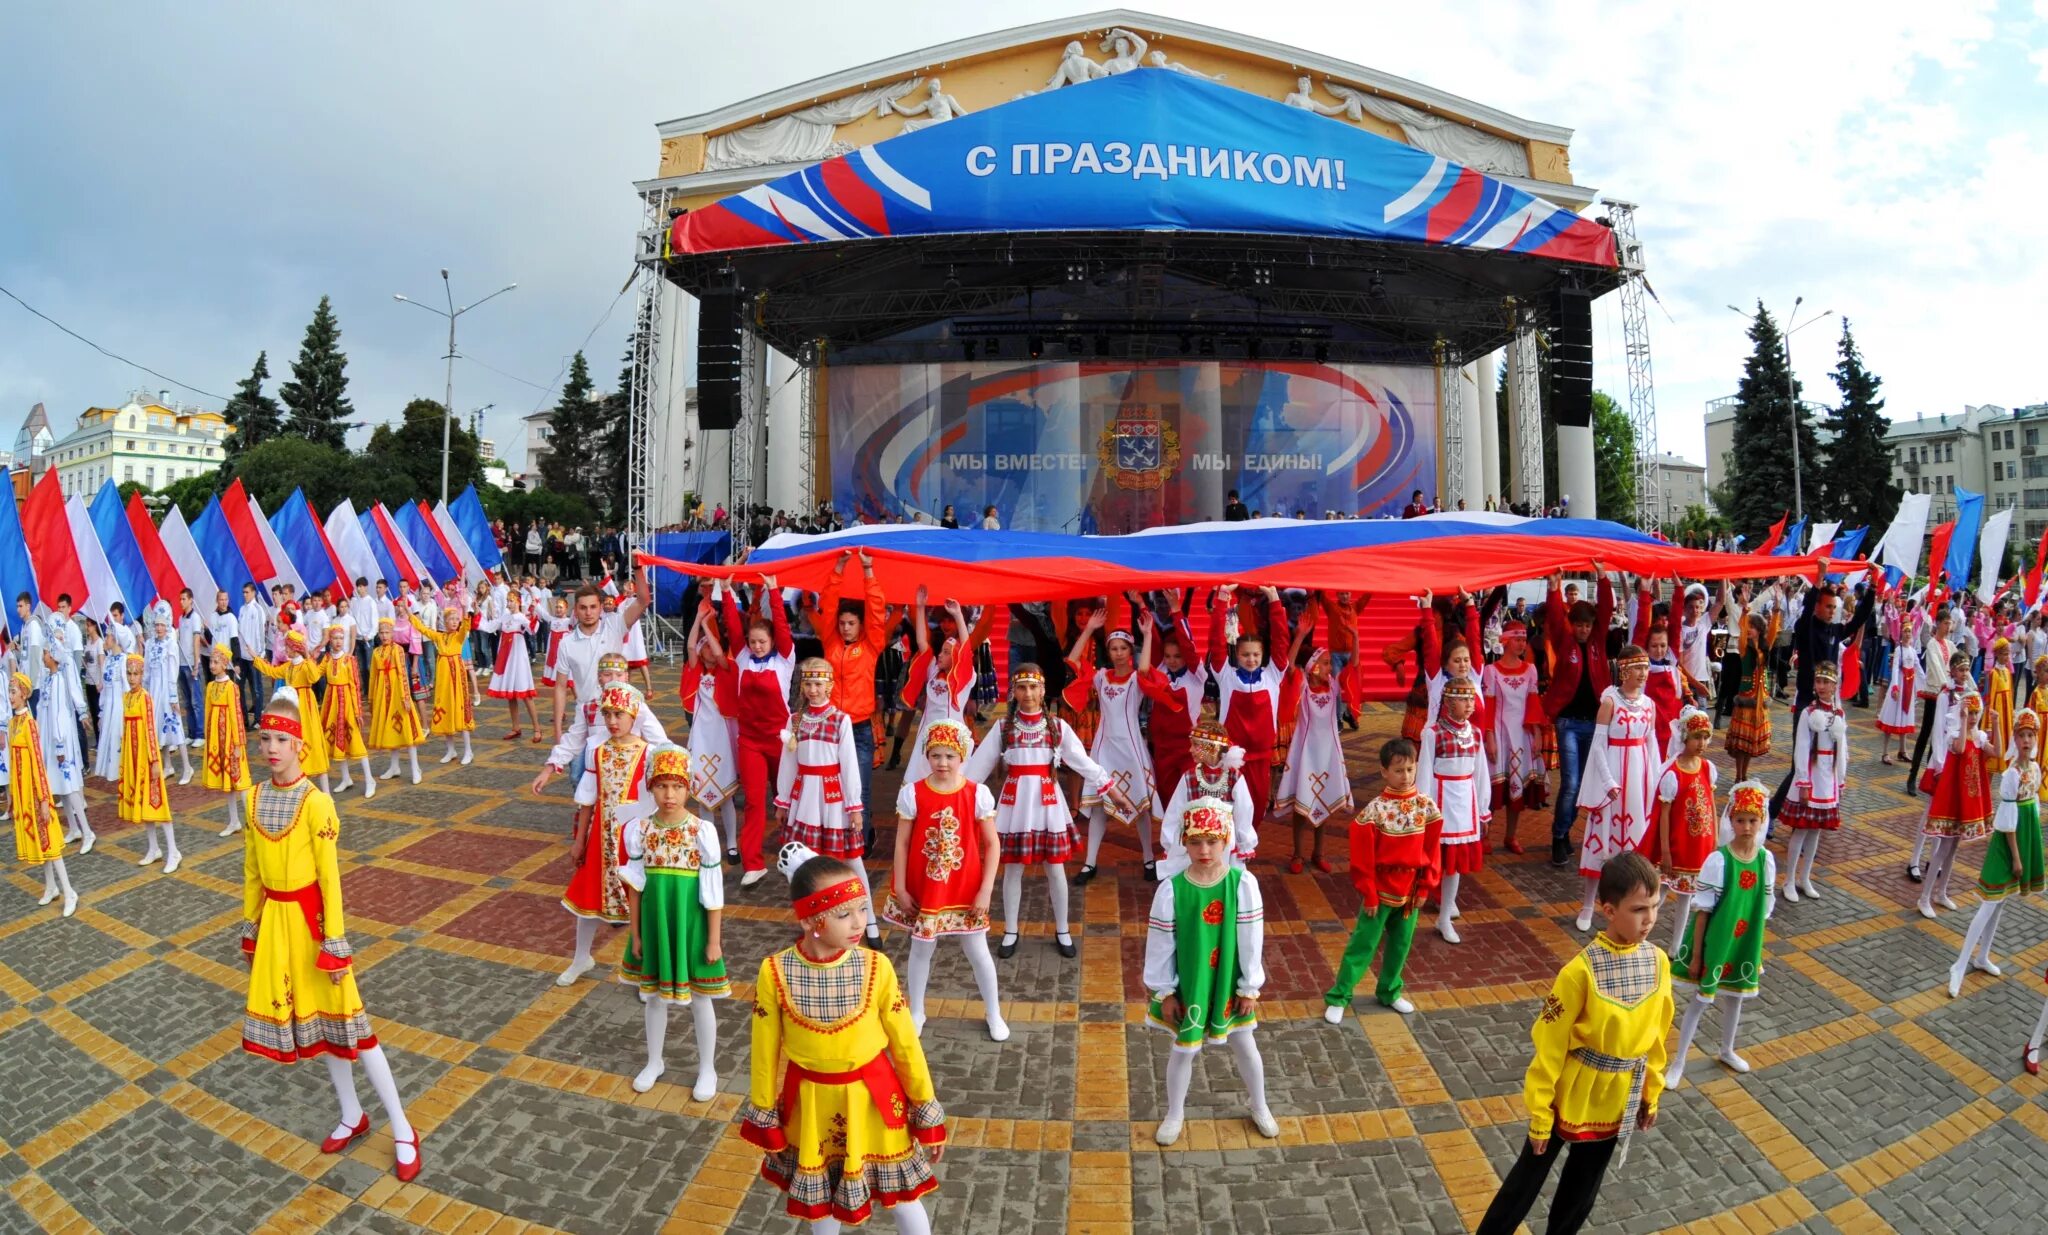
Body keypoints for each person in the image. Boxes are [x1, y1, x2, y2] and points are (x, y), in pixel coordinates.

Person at [239, 696, 421, 1181]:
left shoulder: (317, 801)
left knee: (355, 1030)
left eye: (282, 739)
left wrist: (335, 943)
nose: (273, 748)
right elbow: (252, 871)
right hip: (278, 928)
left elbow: (330, 880)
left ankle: (402, 1127)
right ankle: (351, 1114)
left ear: (300, 744)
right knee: (320, 1029)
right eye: (266, 739)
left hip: (313, 928)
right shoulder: (252, 798)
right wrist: (251, 928)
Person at [743, 846, 945, 1233]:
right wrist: (765, 1111)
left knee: (905, 1198)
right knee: (824, 1204)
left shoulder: (876, 967)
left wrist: (925, 1105)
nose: (858, 924)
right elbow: (764, 1053)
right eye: (843, 914)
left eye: (862, 910)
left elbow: (905, 1044)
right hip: (812, 1106)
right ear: (810, 920)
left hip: (874, 1101)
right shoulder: (774, 971)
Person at [1473, 851, 1670, 1235]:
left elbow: (1657, 1034)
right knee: (1526, 1181)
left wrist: (1651, 1092)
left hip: (1617, 1094)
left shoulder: (1659, 961)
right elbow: (1549, 1044)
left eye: (1656, 906)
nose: (1650, 919)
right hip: (1571, 1091)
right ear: (1608, 909)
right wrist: (1541, 1114)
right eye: (1638, 909)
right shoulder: (1579, 972)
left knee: (1583, 1187)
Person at [961, 664, 1124, 959]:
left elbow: (1081, 761)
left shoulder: (1058, 727)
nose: (1028, 694)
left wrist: (1109, 787)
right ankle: (1011, 930)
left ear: (1043, 690)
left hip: (1049, 805)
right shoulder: (1003, 727)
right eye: (1022, 687)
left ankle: (1062, 929)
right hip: (1014, 805)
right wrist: (955, 796)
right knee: (1012, 869)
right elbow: (976, 771)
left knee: (1055, 868)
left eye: (1033, 687)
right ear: (1014, 691)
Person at [1144, 798, 1276, 1147]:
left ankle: (1259, 1104)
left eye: (1212, 841)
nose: (1204, 849)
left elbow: (1251, 939)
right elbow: (1161, 943)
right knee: (1183, 1049)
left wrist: (1249, 987)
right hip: (1191, 982)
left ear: (1226, 840)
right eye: (1195, 841)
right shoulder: (1172, 889)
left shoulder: (1241, 883)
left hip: (1228, 983)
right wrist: (1166, 991)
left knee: (1246, 1046)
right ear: (1184, 842)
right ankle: (1175, 1112)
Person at [881, 720, 1007, 1041]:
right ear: (926, 755)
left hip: (965, 887)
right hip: (925, 887)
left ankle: (993, 1012)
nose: (942, 763)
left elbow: (992, 844)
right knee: (921, 948)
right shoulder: (913, 793)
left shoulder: (977, 794)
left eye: (950, 756)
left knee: (977, 950)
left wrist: (986, 890)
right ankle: (917, 1010)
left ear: (962, 755)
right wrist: (901, 887)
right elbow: (903, 844)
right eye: (935, 755)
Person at [618, 743, 728, 1097]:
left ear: (688, 788)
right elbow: (635, 887)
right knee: (652, 996)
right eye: (662, 785)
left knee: (700, 997)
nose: (670, 794)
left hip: (690, 923)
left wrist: (713, 939)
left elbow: (712, 891)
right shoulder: (640, 830)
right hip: (654, 923)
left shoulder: (701, 832)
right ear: (651, 787)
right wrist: (635, 933)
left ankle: (707, 1068)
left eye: (678, 786)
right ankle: (654, 1060)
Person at [1665, 781, 1775, 1087]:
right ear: (1730, 820)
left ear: (1762, 820)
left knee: (1735, 999)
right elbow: (1703, 913)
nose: (1747, 826)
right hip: (1716, 941)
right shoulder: (1718, 860)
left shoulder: (1765, 860)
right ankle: (1678, 1061)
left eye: (1753, 820)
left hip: (1744, 943)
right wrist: (1698, 954)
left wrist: (1755, 950)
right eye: (1740, 820)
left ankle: (1727, 1048)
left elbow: (1763, 908)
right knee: (1701, 1001)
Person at [1323, 738, 1439, 1020]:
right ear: (1384, 771)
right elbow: (1362, 859)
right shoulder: (1374, 811)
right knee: (1363, 943)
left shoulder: (1426, 806)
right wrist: (1369, 892)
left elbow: (1432, 851)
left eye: (1411, 769)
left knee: (1401, 945)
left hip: (1410, 889)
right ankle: (1339, 995)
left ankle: (1389, 990)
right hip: (1382, 889)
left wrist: (1426, 886)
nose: (1406, 776)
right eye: (1399, 770)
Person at [560, 684, 653, 986]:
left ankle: (644, 971)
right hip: (601, 839)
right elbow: (588, 799)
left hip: (635, 842)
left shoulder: (649, 752)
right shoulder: (597, 752)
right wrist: (579, 841)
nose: (613, 721)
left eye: (619, 714)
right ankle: (581, 958)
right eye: (608, 714)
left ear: (634, 715)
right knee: (587, 898)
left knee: (641, 905)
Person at [776, 660, 874, 943]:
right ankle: (816, 918)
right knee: (806, 861)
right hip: (804, 795)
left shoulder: (840, 719)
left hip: (832, 798)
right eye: (808, 684)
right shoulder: (795, 720)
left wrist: (854, 807)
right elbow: (788, 762)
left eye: (818, 684)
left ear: (829, 685)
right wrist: (783, 801)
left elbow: (850, 765)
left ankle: (870, 921)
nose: (813, 690)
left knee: (852, 859)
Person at [1950, 708, 2043, 998]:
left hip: (2025, 837)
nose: (2026, 740)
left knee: (2001, 902)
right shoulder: (2012, 774)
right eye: (2021, 735)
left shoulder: (2035, 769)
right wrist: (2017, 856)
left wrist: (2031, 849)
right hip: (2008, 844)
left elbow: (2034, 810)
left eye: (2030, 735)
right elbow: (2007, 822)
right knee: (1989, 903)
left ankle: (1982, 956)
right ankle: (1959, 964)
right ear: (2015, 738)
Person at [804, 550, 891, 852]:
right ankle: (839, 834)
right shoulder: (831, 643)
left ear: (861, 625)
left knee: (860, 789)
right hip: (831, 727)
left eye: (851, 623)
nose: (844, 627)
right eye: (842, 623)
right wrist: (839, 568)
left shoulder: (871, 645)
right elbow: (828, 605)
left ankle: (860, 841)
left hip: (860, 729)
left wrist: (868, 571)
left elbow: (878, 611)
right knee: (833, 787)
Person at [1569, 645, 1659, 932]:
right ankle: (1587, 905)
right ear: (1624, 670)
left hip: (1639, 778)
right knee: (1603, 839)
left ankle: (1630, 903)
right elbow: (1597, 748)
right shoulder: (1609, 703)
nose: (1643, 673)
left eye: (1645, 668)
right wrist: (1607, 782)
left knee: (1635, 843)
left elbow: (1651, 745)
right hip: (1614, 778)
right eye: (1638, 668)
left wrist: (1656, 781)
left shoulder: (1649, 705)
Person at [1068, 607, 1161, 883]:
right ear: (1108, 652)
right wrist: (1088, 630)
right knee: (1099, 806)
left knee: (1141, 806)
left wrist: (1147, 635)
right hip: (1104, 749)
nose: (1119, 653)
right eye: (1114, 648)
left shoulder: (1137, 678)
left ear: (1130, 650)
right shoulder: (1100, 677)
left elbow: (1144, 668)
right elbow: (1073, 661)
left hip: (1132, 750)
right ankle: (1090, 863)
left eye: (1123, 648)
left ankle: (1148, 858)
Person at [1543, 569, 1616, 867]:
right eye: (1579, 625)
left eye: (1587, 625)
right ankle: (1559, 837)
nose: (1583, 630)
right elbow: (1554, 614)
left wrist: (1603, 577)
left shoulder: (1599, 639)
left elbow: (1607, 607)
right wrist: (1554, 587)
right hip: (1569, 723)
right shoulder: (1564, 641)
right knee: (1571, 783)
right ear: (1571, 625)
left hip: (1595, 725)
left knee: (1585, 785)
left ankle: (1564, 832)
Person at [725, 578, 795, 884]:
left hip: (780, 739)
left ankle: (793, 854)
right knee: (754, 801)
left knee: (787, 798)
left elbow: (781, 625)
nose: (755, 646)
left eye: (761, 642)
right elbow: (731, 624)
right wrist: (726, 591)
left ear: (772, 642)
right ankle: (753, 863)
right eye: (752, 642)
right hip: (750, 741)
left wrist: (774, 591)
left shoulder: (784, 660)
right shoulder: (742, 658)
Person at [1206, 584, 1289, 825]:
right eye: (1245, 655)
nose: (1251, 659)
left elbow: (1281, 641)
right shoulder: (1226, 676)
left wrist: (1274, 601)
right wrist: (1222, 600)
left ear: (1263, 656)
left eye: (1256, 655)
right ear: (1237, 655)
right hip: (1231, 758)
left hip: (1261, 758)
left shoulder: (1273, 675)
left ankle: (1244, 855)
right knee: (1228, 811)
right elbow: (1216, 642)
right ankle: (1228, 855)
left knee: (1256, 810)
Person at [1418, 675, 1489, 943]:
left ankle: (1445, 916)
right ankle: (1407, 909)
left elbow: (1480, 773)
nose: (1469, 703)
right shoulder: (1432, 734)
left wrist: (1483, 807)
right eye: (1463, 698)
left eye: (1471, 698)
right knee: (1429, 861)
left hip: (1464, 804)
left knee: (1454, 865)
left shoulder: (1476, 734)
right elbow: (1424, 773)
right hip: (1439, 802)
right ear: (1448, 702)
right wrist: (1423, 811)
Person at [1919, 682, 1993, 919]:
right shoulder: (1955, 734)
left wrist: (1998, 725)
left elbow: (1998, 753)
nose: (1972, 717)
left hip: (1965, 798)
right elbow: (1960, 748)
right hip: (1951, 797)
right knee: (1941, 849)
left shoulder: (1979, 736)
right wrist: (1962, 721)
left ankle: (1941, 892)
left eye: (1974, 714)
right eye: (1969, 713)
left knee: (1953, 849)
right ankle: (1924, 897)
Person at [8, 670, 78, 917]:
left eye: (14, 692)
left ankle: (69, 891)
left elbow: (38, 763)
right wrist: (14, 798)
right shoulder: (13, 723)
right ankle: (51, 886)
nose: (10, 696)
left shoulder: (29, 724)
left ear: (25, 695)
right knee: (40, 842)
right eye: (9, 691)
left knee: (50, 842)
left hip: (36, 793)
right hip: (23, 792)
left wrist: (44, 800)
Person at [1274, 648, 1350, 872]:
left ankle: (1319, 853)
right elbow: (1289, 668)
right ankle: (1297, 855)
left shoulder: (1333, 686)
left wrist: (1354, 638)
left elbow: (1353, 667)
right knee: (1301, 804)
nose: (1329, 668)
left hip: (1327, 755)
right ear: (1312, 667)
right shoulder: (1303, 687)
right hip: (1305, 753)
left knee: (1323, 800)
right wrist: (1298, 638)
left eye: (1329, 663)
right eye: (1325, 663)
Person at [1155, 720, 1259, 880]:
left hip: (1224, 842)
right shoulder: (1189, 776)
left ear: (1211, 747)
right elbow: (1175, 812)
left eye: (1195, 745)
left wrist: (1244, 842)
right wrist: (1170, 843)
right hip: (1195, 839)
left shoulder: (1234, 776)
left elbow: (1244, 811)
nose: (1190, 750)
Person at [1781, 661, 1849, 901]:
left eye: (1826, 682)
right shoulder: (1808, 714)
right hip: (1810, 775)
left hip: (1827, 777)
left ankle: (1805, 877)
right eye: (1818, 681)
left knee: (1816, 832)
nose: (1821, 686)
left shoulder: (1839, 713)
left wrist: (1840, 778)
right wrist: (1803, 783)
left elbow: (1842, 750)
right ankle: (1789, 879)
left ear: (1834, 685)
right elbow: (1800, 749)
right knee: (1800, 829)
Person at [1653, 709, 1719, 950]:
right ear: (1685, 738)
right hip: (1678, 845)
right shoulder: (1673, 773)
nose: (1701, 743)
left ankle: (1676, 945)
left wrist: (1715, 841)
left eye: (1705, 737)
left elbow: (1711, 805)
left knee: (1686, 897)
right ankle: (1639, 929)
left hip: (1700, 846)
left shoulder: (1707, 768)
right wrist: (1666, 851)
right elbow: (1665, 814)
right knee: (1658, 893)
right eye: (1696, 737)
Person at [680, 602, 740, 858]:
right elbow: (691, 646)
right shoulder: (696, 671)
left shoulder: (726, 670)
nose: (705, 647)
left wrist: (708, 626)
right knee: (702, 792)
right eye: (704, 644)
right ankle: (708, 845)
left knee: (725, 793)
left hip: (722, 738)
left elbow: (718, 655)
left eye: (710, 644)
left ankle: (732, 844)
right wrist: (697, 620)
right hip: (702, 737)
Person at [1483, 618, 1544, 854]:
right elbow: (1488, 706)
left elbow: (1533, 703)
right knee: (1492, 786)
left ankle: (1511, 835)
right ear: (1506, 641)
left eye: (1524, 640)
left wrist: (1537, 733)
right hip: (1499, 734)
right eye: (1518, 639)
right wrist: (1489, 736)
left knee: (1517, 784)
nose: (1522, 644)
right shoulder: (1491, 671)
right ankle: (1484, 834)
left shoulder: (1530, 669)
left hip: (1522, 735)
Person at [117, 652, 180, 873]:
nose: (132, 677)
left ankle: (173, 850)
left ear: (142, 675)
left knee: (158, 803)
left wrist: (154, 760)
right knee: (143, 805)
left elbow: (151, 730)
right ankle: (154, 848)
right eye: (129, 673)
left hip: (146, 758)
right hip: (133, 759)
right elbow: (125, 731)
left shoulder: (145, 697)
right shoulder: (126, 697)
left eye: (135, 673)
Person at [408, 608, 477, 766]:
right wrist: (409, 613)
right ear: (444, 622)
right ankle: (451, 749)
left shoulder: (458, 637)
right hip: (444, 681)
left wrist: (465, 612)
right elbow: (423, 629)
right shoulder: (440, 637)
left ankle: (468, 750)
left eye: (455, 619)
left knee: (460, 710)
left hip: (456, 679)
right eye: (451, 619)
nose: (454, 621)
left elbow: (465, 628)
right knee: (445, 710)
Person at [316, 626, 376, 799]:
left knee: (355, 740)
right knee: (335, 740)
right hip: (331, 702)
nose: (338, 641)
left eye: (341, 638)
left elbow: (355, 686)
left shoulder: (349, 660)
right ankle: (345, 777)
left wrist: (358, 712)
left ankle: (370, 779)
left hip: (346, 704)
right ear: (330, 641)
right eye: (334, 638)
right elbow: (315, 674)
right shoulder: (327, 659)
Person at [366, 619, 425, 785]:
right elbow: (372, 677)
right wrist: (371, 698)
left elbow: (402, 674)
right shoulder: (376, 652)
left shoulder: (398, 650)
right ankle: (394, 766)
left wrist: (406, 696)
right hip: (382, 694)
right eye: (382, 633)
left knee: (405, 729)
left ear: (392, 633)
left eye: (387, 632)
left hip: (397, 694)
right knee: (391, 730)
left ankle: (415, 768)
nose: (384, 636)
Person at [204, 645, 253, 837]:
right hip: (218, 741)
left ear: (225, 664)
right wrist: (209, 740)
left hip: (231, 742)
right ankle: (234, 820)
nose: (212, 665)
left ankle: (250, 819)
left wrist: (239, 744)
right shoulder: (210, 686)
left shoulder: (232, 688)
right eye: (211, 661)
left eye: (216, 662)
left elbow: (237, 716)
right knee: (227, 783)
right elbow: (208, 713)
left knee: (240, 781)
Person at [1876, 620, 1921, 764]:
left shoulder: (1913, 651)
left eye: (1909, 631)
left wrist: (1929, 685)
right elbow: (1895, 668)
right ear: (1901, 633)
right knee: (1891, 717)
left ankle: (1903, 750)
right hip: (1900, 685)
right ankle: (1885, 752)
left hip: (1909, 686)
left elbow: (1918, 669)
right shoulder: (1898, 650)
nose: (1908, 634)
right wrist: (1895, 687)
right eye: (1905, 631)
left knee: (1905, 718)